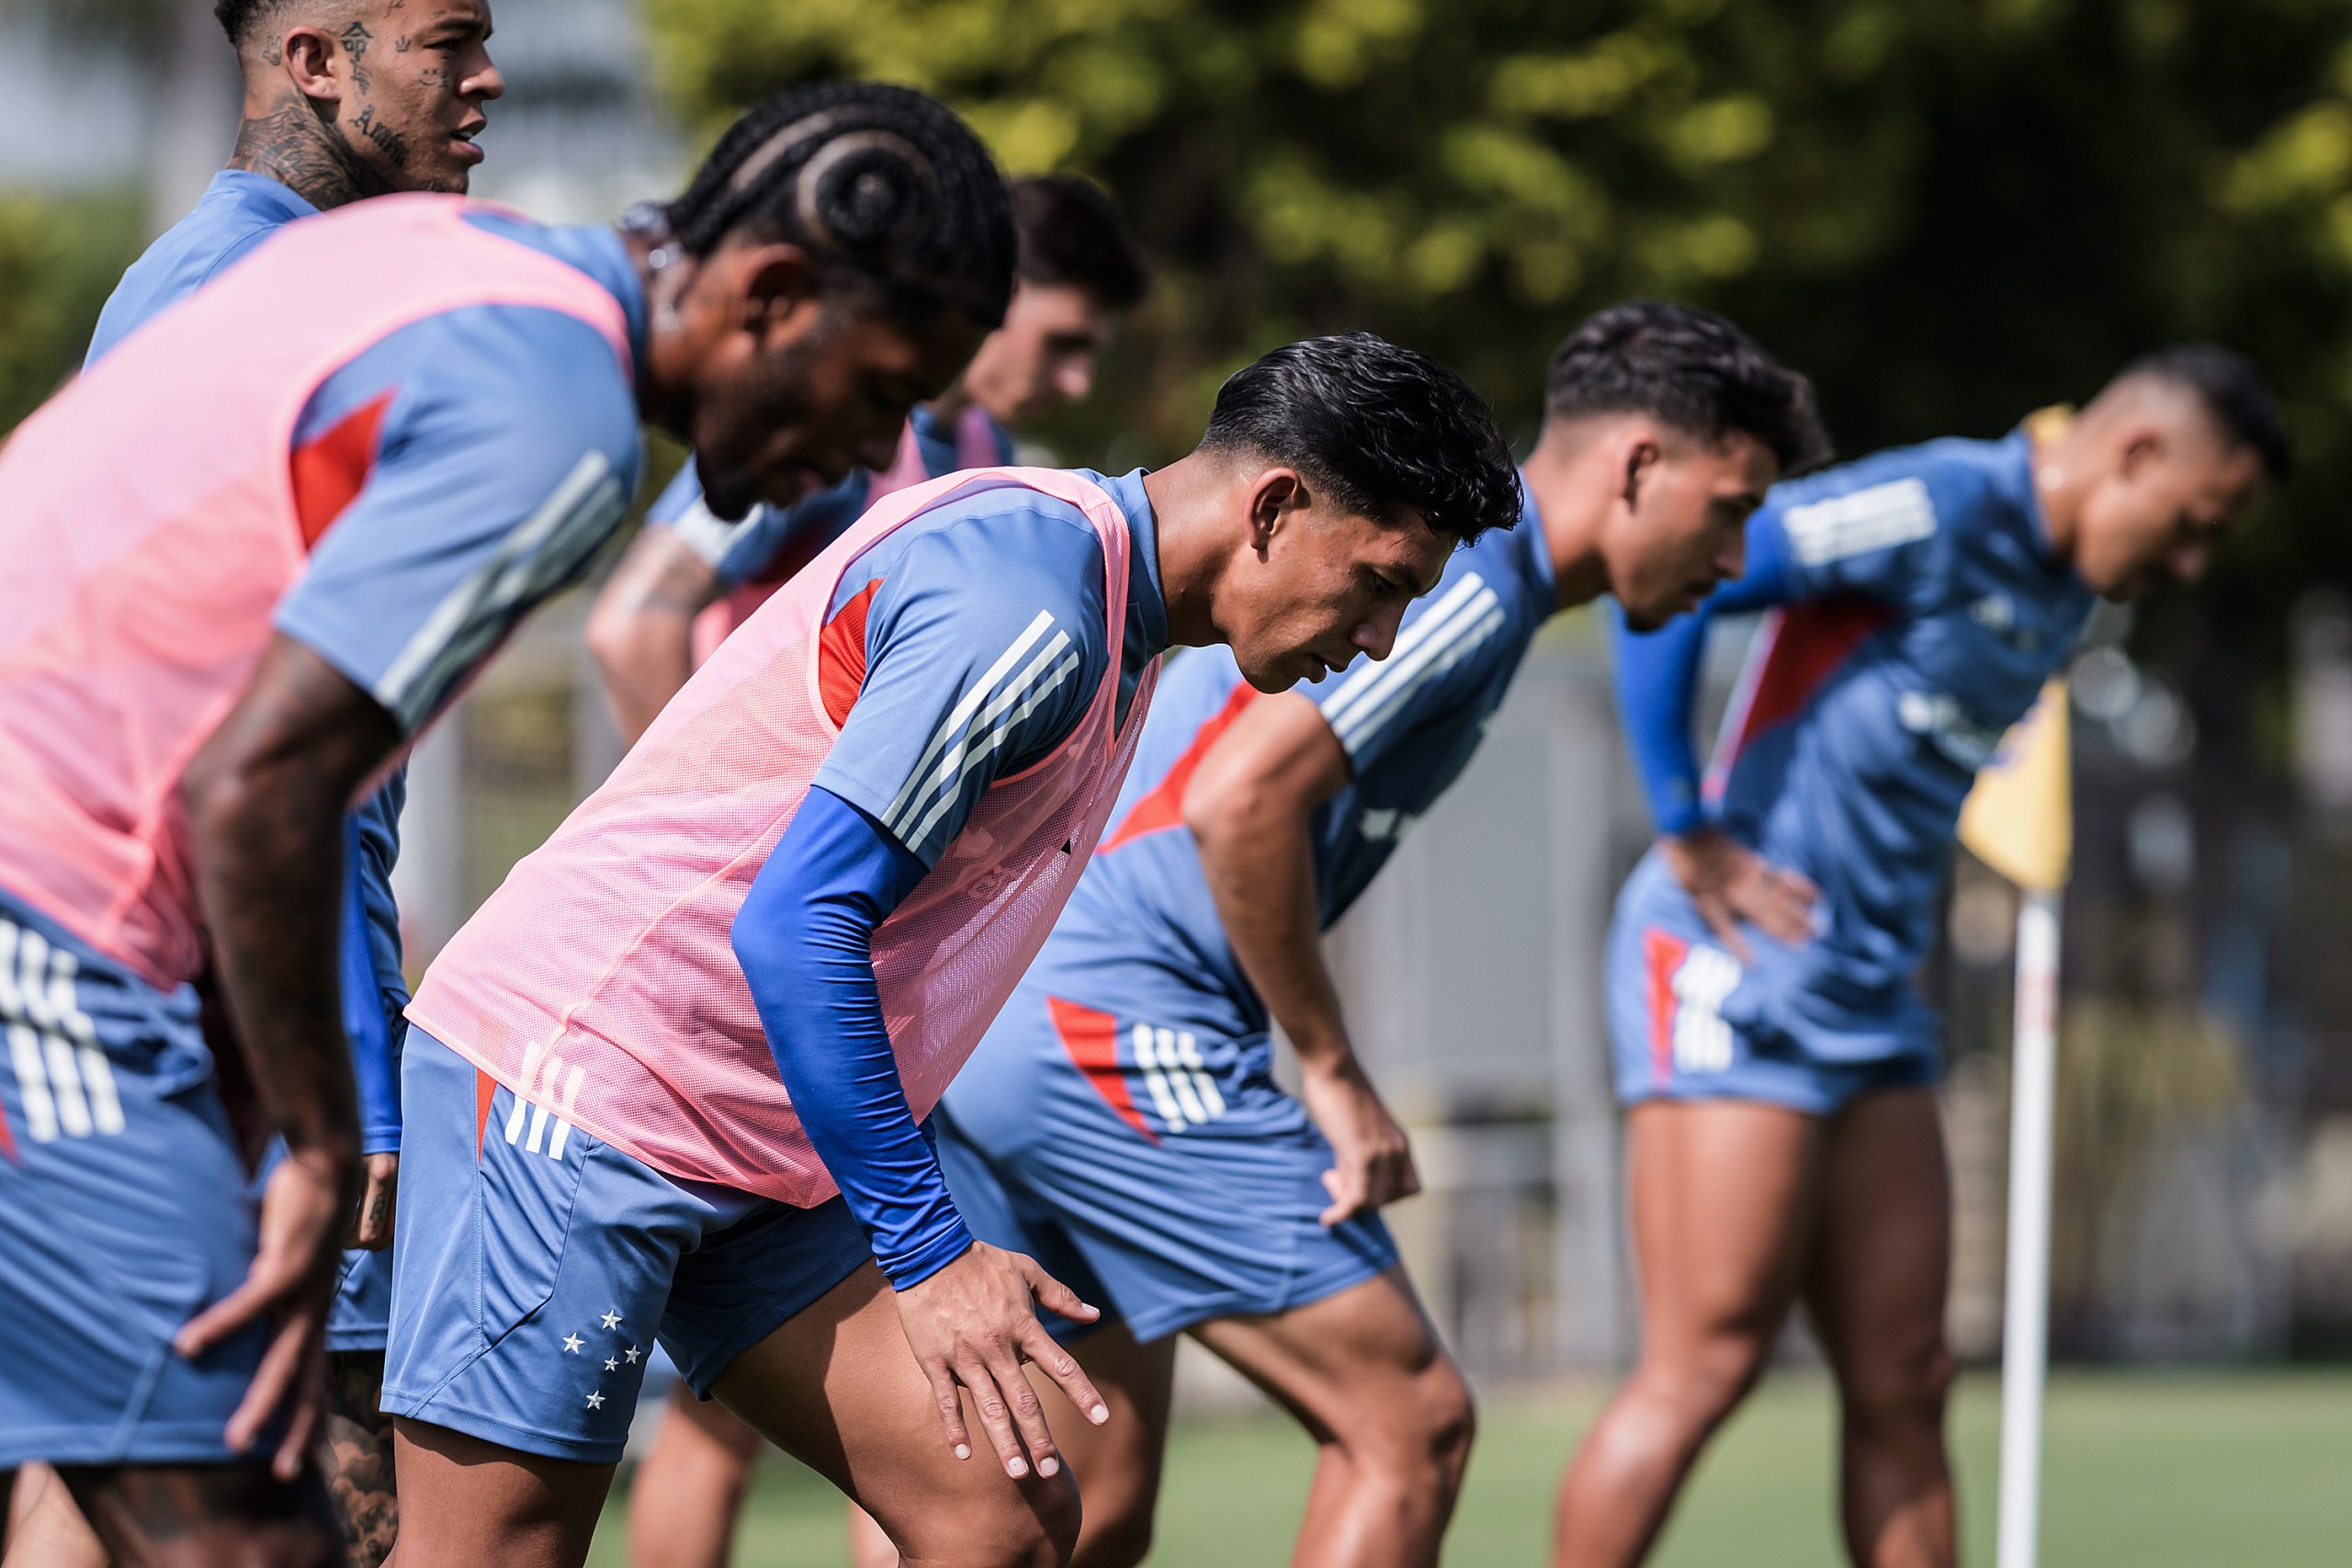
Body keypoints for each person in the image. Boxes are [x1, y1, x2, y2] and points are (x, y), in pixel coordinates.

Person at [0, 78, 1019, 1567]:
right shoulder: (568, 417)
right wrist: (312, 1136)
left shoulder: (470, 266)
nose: (866, 459)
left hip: (86, 907)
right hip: (48, 906)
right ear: (772, 294)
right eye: (875, 392)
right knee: (235, 1539)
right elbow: (262, 784)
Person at [380, 332, 1522, 1568]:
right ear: (1276, 505)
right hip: (580, 1084)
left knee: (1003, 1522)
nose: (1380, 639)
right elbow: (798, 920)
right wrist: (931, 1250)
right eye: (1379, 581)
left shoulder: (1111, 604)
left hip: (759, 1139)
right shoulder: (1031, 601)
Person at [902, 302, 1826, 1568]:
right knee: (1411, 1418)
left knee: (1069, 1513)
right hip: (1107, 1023)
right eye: (1730, 508)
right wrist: (1332, 1072)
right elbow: (1244, 802)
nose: (1733, 558)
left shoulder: (1447, 585)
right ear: (1640, 466)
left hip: (1014, 1023)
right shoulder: (1462, 590)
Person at [1553, 345, 2290, 1568]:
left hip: (1876, 1001)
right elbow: (1666, 571)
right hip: (1736, 970)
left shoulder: (2069, 584)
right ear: (2138, 454)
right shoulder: (1941, 504)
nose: (2193, 558)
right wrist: (1685, 821)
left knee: (1908, 1371)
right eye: (2195, 522)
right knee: (1709, 1363)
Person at [611, 172, 1149, 1568]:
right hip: (777, 950)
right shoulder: (852, 436)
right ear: (990, 292)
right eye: (1064, 330)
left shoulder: (997, 462)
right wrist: (718, 865)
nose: (1075, 371)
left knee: (933, 1407)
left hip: (881, 967)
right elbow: (633, 620)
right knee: (727, 1414)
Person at [70, 6, 504, 1560]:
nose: (488, 81)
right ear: (319, 62)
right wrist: (354, 1107)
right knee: (332, 1516)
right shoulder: (238, 304)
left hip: (230, 1037)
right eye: (448, 43)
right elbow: (231, 757)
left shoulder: (249, 283)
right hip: (246, 1057)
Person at [591, 174, 1151, 749]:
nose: (1077, 383)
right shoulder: (829, 430)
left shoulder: (986, 450)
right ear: (997, 293)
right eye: (1062, 343)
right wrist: (705, 824)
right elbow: (634, 625)